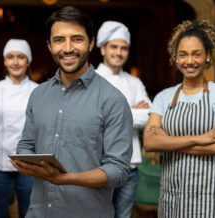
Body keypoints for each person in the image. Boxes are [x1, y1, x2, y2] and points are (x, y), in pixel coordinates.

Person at [11, 6, 133, 218]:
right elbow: (26, 145)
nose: (67, 48)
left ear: (91, 42)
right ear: (49, 46)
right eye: (59, 40)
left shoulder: (113, 100)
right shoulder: (38, 95)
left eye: (77, 39)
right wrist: (27, 162)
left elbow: (118, 170)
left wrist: (63, 178)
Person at [144, 20, 215, 217]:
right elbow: (149, 142)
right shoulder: (164, 97)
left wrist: (167, 141)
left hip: (210, 196)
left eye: (197, 54)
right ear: (176, 58)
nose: (190, 61)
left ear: (207, 56)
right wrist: (199, 139)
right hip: (172, 195)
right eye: (183, 55)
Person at [95, 20, 151, 218]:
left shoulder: (135, 82)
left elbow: (148, 118)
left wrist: (112, 113)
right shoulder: (90, 80)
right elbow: (92, 119)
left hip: (130, 166)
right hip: (98, 166)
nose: (119, 52)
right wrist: (131, 110)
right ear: (103, 49)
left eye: (124, 48)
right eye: (114, 47)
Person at [0, 39, 38, 218]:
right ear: (5, 61)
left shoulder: (39, 91)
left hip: (30, 164)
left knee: (30, 213)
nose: (15, 62)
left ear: (28, 61)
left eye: (20, 57)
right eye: (10, 57)